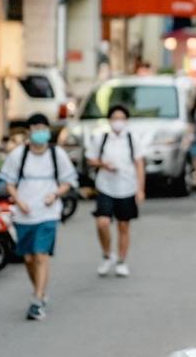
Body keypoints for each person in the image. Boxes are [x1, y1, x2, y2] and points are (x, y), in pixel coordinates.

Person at [0, 114, 78, 321]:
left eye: (43, 127)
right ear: (29, 131)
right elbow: (9, 182)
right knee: (28, 258)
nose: (40, 131)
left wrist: (55, 194)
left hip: (48, 212)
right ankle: (39, 291)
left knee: (41, 254)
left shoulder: (57, 154)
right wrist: (18, 200)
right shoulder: (18, 155)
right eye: (36, 127)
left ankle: (37, 298)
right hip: (25, 213)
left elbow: (67, 182)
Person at [85, 105, 145, 277]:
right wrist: (103, 164)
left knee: (123, 225)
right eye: (115, 118)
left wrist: (140, 189)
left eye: (121, 118)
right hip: (105, 186)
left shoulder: (132, 139)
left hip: (127, 187)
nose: (118, 122)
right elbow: (90, 159)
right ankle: (106, 254)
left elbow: (139, 164)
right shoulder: (101, 138)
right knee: (102, 222)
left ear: (126, 121)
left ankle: (121, 260)